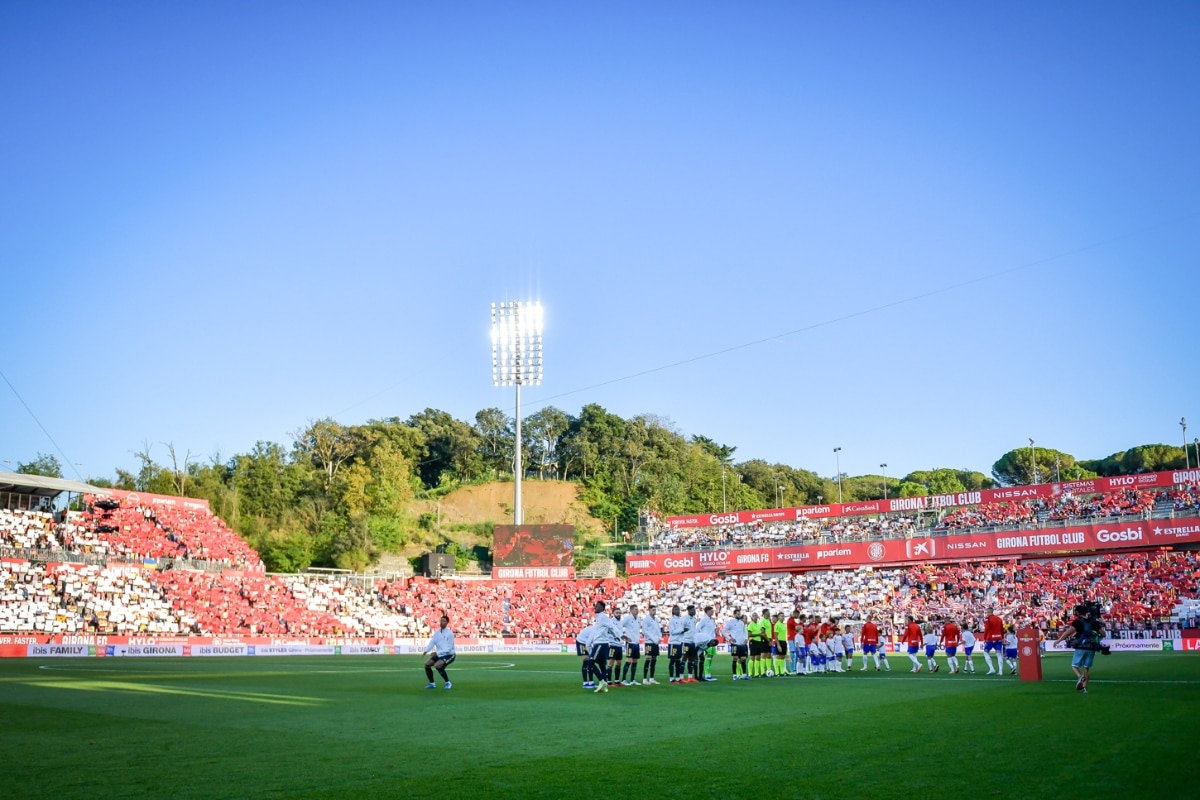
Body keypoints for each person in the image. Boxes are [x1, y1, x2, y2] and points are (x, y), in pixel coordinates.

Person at [1052, 603, 1106, 694]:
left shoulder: (1077, 621)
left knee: (1074, 665)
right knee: (1086, 668)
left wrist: (1058, 641)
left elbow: (1067, 633)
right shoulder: (1094, 621)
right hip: (1092, 648)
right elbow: (1103, 634)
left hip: (1081, 646)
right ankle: (1084, 688)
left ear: (1077, 612)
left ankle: (1080, 676)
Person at [589, 600, 623, 693]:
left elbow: (612, 627)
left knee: (590, 663)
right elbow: (609, 629)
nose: (595, 607)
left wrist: (619, 636)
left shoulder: (603, 617)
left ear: (603, 609)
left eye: (598, 606)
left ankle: (602, 681)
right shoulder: (599, 618)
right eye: (595, 606)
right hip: (601, 644)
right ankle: (605, 686)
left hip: (600, 644)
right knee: (602, 665)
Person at [423, 614, 456, 690]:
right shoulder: (437, 632)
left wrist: (437, 653)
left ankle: (448, 682)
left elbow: (449, 648)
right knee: (427, 665)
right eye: (441, 621)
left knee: (437, 665)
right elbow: (432, 642)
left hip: (449, 654)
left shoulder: (450, 633)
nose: (441, 622)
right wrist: (426, 650)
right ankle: (432, 683)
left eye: (443, 621)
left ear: (447, 623)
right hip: (440, 654)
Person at [723, 609, 750, 680]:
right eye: (737, 614)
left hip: (742, 644)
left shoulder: (741, 623)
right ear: (734, 614)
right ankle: (734, 675)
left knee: (743, 659)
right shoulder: (730, 622)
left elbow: (745, 632)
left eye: (739, 614)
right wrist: (729, 638)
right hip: (735, 644)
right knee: (735, 658)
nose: (739, 615)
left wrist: (746, 638)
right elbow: (723, 631)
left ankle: (744, 675)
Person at [694, 605, 718, 681]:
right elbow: (697, 628)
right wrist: (702, 636)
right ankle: (707, 675)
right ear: (707, 611)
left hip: (711, 641)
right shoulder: (704, 619)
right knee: (706, 658)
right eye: (711, 610)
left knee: (709, 658)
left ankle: (704, 675)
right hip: (705, 641)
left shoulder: (712, 620)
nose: (713, 612)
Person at [620, 605, 642, 686]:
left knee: (635, 661)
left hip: (636, 643)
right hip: (630, 643)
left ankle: (632, 679)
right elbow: (620, 626)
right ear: (631, 610)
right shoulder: (628, 618)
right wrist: (624, 637)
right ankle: (623, 680)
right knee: (628, 660)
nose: (637, 610)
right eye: (636, 609)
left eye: (637, 609)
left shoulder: (639, 618)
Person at [641, 605, 663, 685]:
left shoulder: (656, 620)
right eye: (653, 610)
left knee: (654, 660)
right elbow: (645, 631)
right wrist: (654, 639)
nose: (654, 611)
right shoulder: (646, 619)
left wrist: (660, 638)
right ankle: (644, 679)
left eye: (655, 610)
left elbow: (658, 630)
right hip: (649, 642)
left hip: (656, 643)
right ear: (649, 610)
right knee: (648, 659)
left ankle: (651, 678)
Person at [667, 604, 687, 684]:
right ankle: (671, 679)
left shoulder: (681, 619)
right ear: (673, 611)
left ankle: (678, 678)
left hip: (679, 642)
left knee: (678, 660)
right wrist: (681, 631)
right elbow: (672, 632)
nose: (677, 611)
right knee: (673, 660)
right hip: (673, 642)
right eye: (676, 610)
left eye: (678, 609)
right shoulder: (672, 620)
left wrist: (684, 631)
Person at [681, 605, 700, 683]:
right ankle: (681, 677)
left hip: (692, 642)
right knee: (684, 658)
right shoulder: (684, 619)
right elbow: (681, 629)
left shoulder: (694, 619)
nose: (694, 611)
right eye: (692, 610)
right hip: (686, 641)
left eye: (694, 610)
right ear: (688, 611)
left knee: (691, 659)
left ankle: (690, 677)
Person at [982, 610, 1005, 676]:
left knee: (986, 652)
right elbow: (1002, 629)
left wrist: (985, 638)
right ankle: (1000, 671)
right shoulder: (999, 619)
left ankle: (991, 669)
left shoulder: (987, 619)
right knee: (998, 653)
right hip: (999, 637)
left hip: (991, 638)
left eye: (986, 612)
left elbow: (987, 629)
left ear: (989, 612)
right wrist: (1002, 637)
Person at [577, 620, 597, 689]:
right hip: (582, 642)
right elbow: (589, 642)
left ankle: (591, 682)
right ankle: (585, 683)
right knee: (586, 660)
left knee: (590, 661)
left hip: (586, 642)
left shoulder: (596, 629)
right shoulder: (595, 630)